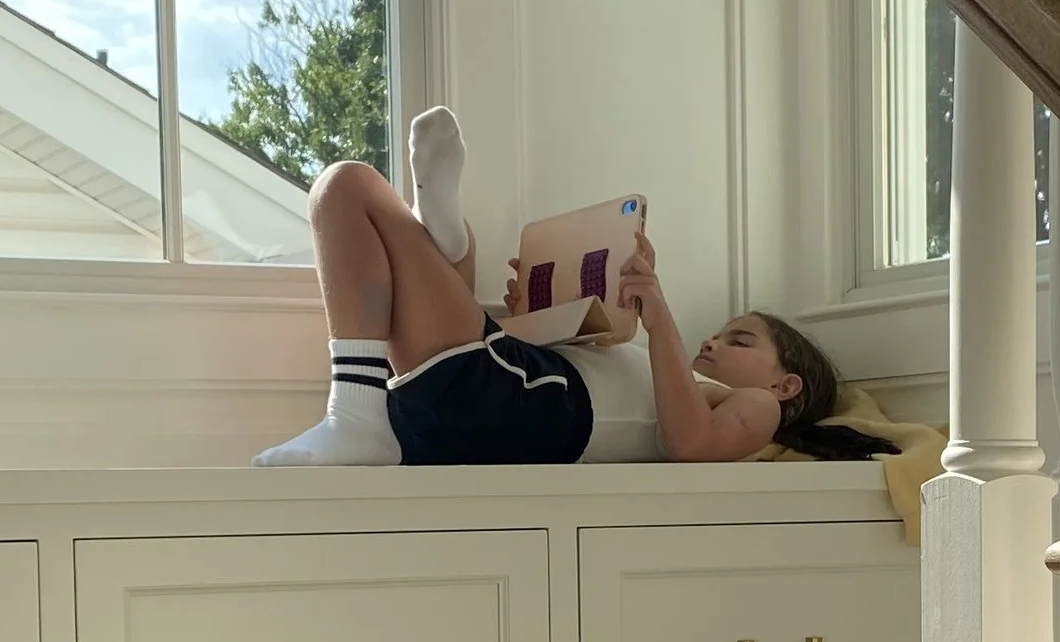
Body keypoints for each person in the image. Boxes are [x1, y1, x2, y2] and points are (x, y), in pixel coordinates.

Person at [255, 110, 895, 469]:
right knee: (351, 193)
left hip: (530, 407)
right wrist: (541, 313)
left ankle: (357, 406)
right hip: (513, 396)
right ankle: (444, 237)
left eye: (740, 339)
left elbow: (692, 445)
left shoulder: (757, 407)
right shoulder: (662, 372)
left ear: (786, 385)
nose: (713, 341)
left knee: (349, 187)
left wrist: (659, 317)